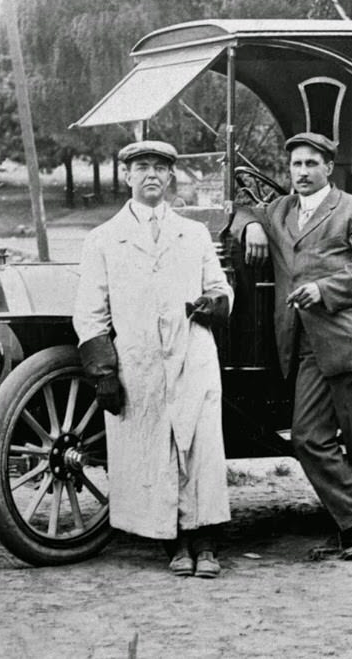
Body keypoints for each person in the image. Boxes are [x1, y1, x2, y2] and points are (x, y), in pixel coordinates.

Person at [73, 140, 233, 578]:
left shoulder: (194, 233)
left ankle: (206, 543)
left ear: (171, 178)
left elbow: (220, 287)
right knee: (156, 449)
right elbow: (90, 313)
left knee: (199, 445)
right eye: (142, 167)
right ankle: (173, 544)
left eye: (160, 169)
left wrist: (213, 302)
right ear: (126, 176)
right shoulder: (104, 239)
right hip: (139, 360)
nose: (151, 176)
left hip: (193, 353)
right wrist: (104, 371)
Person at [232, 132, 352, 559]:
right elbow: (244, 207)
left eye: (309, 164)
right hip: (305, 345)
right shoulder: (280, 210)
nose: (300, 173)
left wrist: (325, 290)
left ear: (328, 168)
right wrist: (250, 224)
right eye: (294, 165)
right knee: (307, 438)